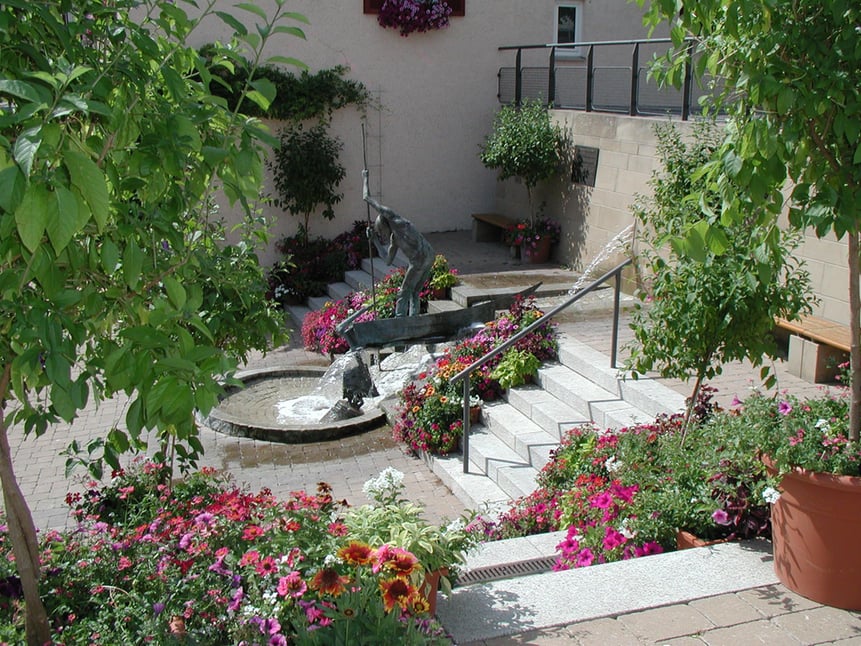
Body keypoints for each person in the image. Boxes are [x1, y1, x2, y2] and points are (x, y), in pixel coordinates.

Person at [362, 169, 434, 317]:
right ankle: (414, 319)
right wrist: (374, 241)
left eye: (381, 232)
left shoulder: (396, 221)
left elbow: (367, 198)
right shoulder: (394, 239)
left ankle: (399, 319)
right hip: (428, 256)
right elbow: (388, 261)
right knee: (414, 292)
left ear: (384, 225)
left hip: (420, 258)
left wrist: (365, 179)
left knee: (404, 291)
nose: (383, 235)